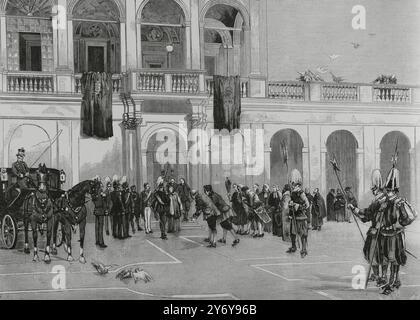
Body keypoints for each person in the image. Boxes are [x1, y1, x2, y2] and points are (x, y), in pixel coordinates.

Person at [349, 167, 415, 295]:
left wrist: (399, 224)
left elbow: (367, 215)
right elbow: (367, 214)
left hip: (389, 234)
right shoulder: (389, 200)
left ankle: (391, 281)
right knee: (391, 257)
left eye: (389, 189)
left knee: (391, 257)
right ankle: (392, 280)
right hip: (390, 234)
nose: (388, 191)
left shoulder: (388, 201)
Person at [286, 171, 310, 258]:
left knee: (302, 233)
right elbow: (292, 203)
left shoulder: (300, 192)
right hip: (294, 216)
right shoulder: (292, 193)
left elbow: (307, 204)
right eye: (292, 184)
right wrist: (290, 204)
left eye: (293, 184)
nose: (292, 185)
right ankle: (293, 246)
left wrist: (297, 206)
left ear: (297, 184)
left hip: (301, 216)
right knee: (292, 233)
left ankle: (304, 249)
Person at [92, 177, 107, 249]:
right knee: (100, 227)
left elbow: (94, 201)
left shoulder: (94, 192)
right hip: (101, 210)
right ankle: (101, 242)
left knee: (97, 226)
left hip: (96, 210)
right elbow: (103, 202)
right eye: (101, 185)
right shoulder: (101, 192)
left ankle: (97, 240)